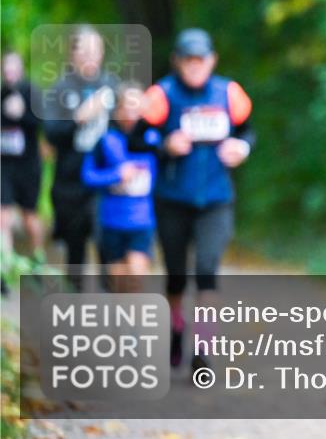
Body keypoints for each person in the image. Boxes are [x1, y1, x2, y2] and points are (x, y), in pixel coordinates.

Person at [130, 28, 254, 373]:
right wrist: (164, 145)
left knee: (206, 271)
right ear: (177, 62)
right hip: (172, 199)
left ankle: (203, 348)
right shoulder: (162, 95)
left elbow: (247, 130)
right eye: (188, 60)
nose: (195, 66)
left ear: (212, 60)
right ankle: (175, 330)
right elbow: (137, 139)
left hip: (216, 199)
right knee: (176, 276)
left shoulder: (229, 93)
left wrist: (242, 147)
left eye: (201, 60)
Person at [42, 26, 118, 291]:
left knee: (108, 246)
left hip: (106, 182)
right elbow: (51, 134)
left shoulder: (112, 85)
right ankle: (74, 301)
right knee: (75, 251)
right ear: (72, 53)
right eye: (83, 50)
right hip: (70, 183)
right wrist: (78, 118)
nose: (89, 56)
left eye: (94, 50)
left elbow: (128, 131)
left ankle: (112, 306)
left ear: (102, 52)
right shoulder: (60, 89)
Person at [81, 83, 159, 293]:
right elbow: (88, 176)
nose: (131, 113)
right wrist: (116, 175)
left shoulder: (154, 139)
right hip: (112, 221)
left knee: (136, 273)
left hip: (142, 221)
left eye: (136, 107)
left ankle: (135, 313)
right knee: (118, 283)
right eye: (126, 107)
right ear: (117, 111)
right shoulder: (105, 140)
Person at [1, 51, 45, 283]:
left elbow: (42, 123)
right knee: (3, 216)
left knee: (30, 216)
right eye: (6, 68)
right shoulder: (1, 93)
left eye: (13, 67)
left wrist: (22, 114)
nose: (9, 73)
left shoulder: (31, 91)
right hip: (5, 166)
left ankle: (38, 261)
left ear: (21, 69)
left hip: (28, 166)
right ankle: (5, 269)